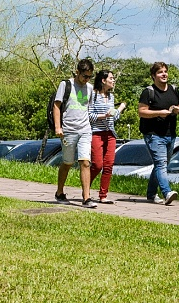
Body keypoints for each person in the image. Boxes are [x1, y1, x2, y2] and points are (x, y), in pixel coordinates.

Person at [138, 61, 179, 205]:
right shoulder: (148, 92)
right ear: (154, 76)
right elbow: (141, 112)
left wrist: (178, 109)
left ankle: (151, 194)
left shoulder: (174, 89)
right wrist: (159, 113)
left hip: (170, 134)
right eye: (160, 72)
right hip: (153, 135)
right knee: (161, 164)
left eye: (165, 71)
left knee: (160, 165)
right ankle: (167, 192)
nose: (164, 74)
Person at [53, 59, 97, 208]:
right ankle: (60, 192)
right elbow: (57, 105)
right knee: (68, 162)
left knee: (85, 162)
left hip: (85, 129)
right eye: (84, 76)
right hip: (68, 130)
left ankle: (86, 197)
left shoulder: (90, 88)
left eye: (89, 77)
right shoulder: (66, 85)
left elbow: (88, 109)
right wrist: (58, 127)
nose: (86, 80)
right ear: (77, 72)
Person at [88, 70, 126, 204]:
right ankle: (86, 189)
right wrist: (104, 115)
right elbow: (89, 115)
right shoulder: (93, 95)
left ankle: (103, 195)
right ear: (103, 80)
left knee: (109, 165)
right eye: (111, 78)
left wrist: (119, 110)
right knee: (97, 165)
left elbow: (114, 117)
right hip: (96, 133)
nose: (113, 80)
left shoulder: (111, 97)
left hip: (110, 133)